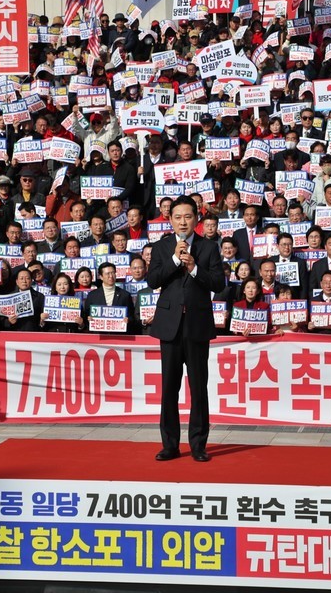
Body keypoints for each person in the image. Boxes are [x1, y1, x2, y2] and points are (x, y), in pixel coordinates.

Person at [146, 196, 225, 463]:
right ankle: (169, 444)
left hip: (197, 325)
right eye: (177, 217)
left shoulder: (209, 248)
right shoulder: (162, 247)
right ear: (170, 220)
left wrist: (193, 268)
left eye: (187, 216)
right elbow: (152, 279)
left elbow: (218, 283)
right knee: (169, 387)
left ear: (196, 219)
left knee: (198, 387)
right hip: (169, 327)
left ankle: (198, 444)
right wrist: (175, 261)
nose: (182, 221)